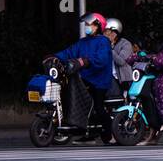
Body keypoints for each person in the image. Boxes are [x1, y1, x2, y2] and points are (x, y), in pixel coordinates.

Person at [56, 11, 114, 140]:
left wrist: (86, 61)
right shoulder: (83, 42)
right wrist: (54, 57)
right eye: (87, 24)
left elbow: (102, 59)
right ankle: (80, 127)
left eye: (90, 24)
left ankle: (109, 133)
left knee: (98, 107)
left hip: (100, 81)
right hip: (85, 78)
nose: (87, 26)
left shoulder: (103, 42)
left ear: (98, 26)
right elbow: (69, 52)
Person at [105, 17, 135, 96]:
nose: (105, 34)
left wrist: (110, 49)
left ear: (115, 33)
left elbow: (121, 61)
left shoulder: (125, 44)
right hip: (110, 78)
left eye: (107, 32)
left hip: (123, 79)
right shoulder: (104, 44)